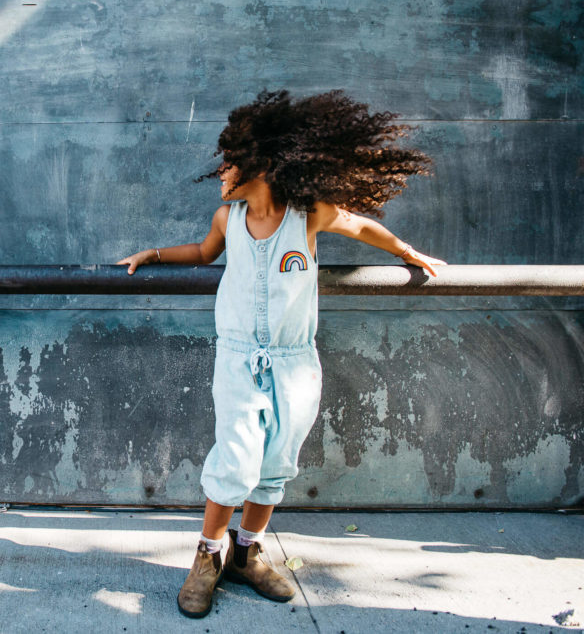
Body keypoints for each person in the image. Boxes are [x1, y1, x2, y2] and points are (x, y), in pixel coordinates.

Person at [117, 90, 445, 618]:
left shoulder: (306, 215)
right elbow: (203, 253)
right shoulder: (228, 218)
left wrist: (406, 252)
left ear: (263, 165)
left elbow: (360, 225)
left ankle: (245, 553)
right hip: (240, 359)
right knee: (236, 457)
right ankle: (207, 557)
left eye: (231, 162)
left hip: (295, 362)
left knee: (275, 463)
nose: (221, 171)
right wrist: (153, 253)